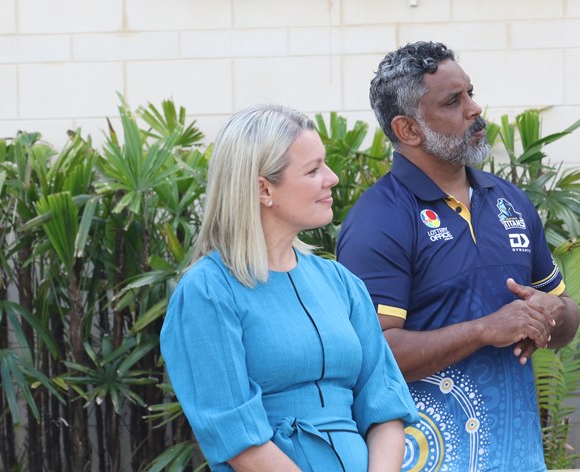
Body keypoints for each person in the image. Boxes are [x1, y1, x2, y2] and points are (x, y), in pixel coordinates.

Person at [336, 41, 580, 471]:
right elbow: (371, 357)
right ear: (408, 129)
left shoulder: (509, 201)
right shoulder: (379, 219)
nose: (474, 109)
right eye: (453, 101)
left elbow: (568, 316)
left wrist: (551, 315)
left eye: (470, 93)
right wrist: (485, 329)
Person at [160, 104, 418, 472]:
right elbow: (237, 437)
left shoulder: (341, 283)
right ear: (264, 188)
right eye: (313, 169)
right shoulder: (207, 291)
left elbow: (384, 405)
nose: (332, 178)